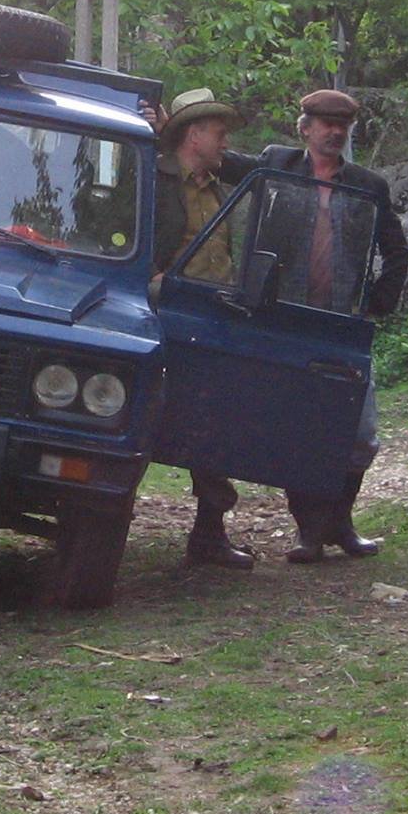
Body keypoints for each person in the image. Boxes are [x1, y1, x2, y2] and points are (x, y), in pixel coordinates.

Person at [223, 88, 408, 564]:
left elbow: (397, 250)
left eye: (342, 125)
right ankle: (309, 530)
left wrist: (376, 303)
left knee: (360, 432)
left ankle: (340, 522)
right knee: (297, 427)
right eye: (325, 123)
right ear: (304, 129)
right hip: (288, 319)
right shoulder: (276, 165)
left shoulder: (369, 185)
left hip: (343, 323)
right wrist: (166, 125)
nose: (334, 132)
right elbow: (218, 161)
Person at [152, 87, 257, 571]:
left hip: (212, 321)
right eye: (218, 133)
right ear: (194, 134)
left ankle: (209, 534)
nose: (224, 144)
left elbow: (266, 168)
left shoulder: (217, 184)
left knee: (217, 426)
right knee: (143, 417)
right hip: (163, 317)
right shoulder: (154, 180)